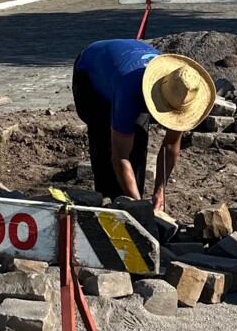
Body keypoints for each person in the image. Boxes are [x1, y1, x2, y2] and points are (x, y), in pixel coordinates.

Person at [71, 39, 216, 223]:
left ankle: (132, 205)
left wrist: (160, 191)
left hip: (127, 72)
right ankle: (108, 212)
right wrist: (139, 207)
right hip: (91, 74)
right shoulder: (130, 90)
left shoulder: (181, 90)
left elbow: (170, 146)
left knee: (137, 145)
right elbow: (119, 156)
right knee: (105, 144)